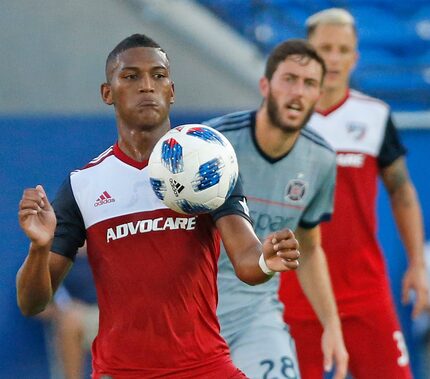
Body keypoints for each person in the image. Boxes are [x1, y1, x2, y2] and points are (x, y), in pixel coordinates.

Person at [16, 34, 301, 379]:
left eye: (158, 75)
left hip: (205, 368)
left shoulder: (210, 166)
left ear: (172, 90)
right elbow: (32, 303)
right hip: (120, 372)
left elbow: (246, 261)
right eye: (131, 76)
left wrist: (265, 260)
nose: (147, 86)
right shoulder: (83, 185)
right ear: (108, 93)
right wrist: (39, 247)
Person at [279, 8, 429, 379]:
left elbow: (402, 191)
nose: (333, 58)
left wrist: (417, 263)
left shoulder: (375, 115)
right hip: (296, 292)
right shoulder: (278, 119)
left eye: (343, 49)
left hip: (364, 290)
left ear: (355, 57)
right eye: (324, 48)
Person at [204, 39, 348, 379]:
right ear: (265, 85)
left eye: (309, 83)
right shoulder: (211, 143)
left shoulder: (322, 160)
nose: (298, 91)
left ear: (319, 96)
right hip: (195, 318)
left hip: (258, 317)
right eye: (289, 79)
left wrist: (332, 326)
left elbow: (310, 250)